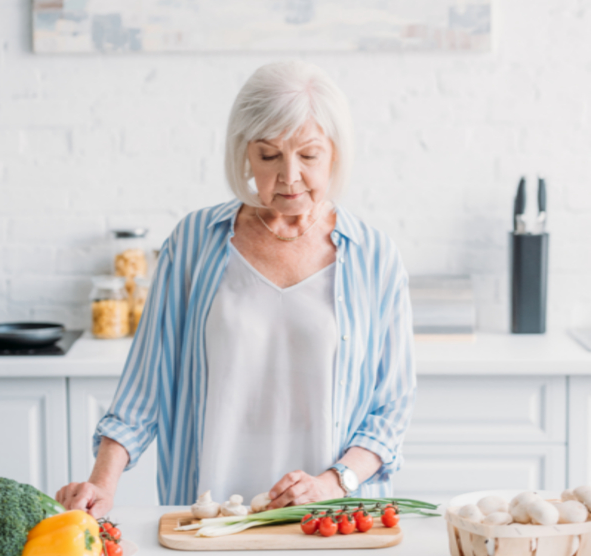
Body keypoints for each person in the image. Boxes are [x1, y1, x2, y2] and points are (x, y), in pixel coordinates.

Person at [56, 60, 416, 517]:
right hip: (209, 517)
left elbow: (392, 409)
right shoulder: (193, 242)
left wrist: (332, 483)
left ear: (335, 154)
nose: (289, 175)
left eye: (308, 155)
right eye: (269, 155)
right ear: (244, 154)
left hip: (329, 522)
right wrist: (101, 484)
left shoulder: (375, 256)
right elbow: (145, 386)